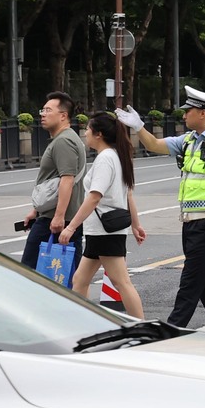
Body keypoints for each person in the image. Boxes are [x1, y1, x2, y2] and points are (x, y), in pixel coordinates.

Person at [115, 86, 205, 333]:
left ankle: (169, 333)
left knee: (190, 283)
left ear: (202, 113)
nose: (183, 115)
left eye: (188, 111)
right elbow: (155, 144)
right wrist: (139, 127)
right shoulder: (189, 140)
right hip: (190, 222)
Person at [59, 112, 147, 317]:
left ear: (98, 134)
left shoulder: (106, 158)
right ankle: (82, 323)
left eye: (88, 130)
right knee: (80, 280)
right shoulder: (116, 156)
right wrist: (135, 225)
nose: (85, 134)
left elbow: (94, 197)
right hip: (101, 231)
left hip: (104, 232)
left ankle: (142, 326)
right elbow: (128, 194)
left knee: (121, 282)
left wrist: (71, 227)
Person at [21, 92, 87, 273]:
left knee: (29, 273)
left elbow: (67, 179)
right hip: (55, 218)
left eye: (48, 110)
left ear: (63, 116)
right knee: (64, 276)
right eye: (42, 110)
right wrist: (36, 211)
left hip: (55, 222)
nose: (43, 114)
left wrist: (58, 216)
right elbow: (55, 180)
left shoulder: (64, 141)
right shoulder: (64, 138)